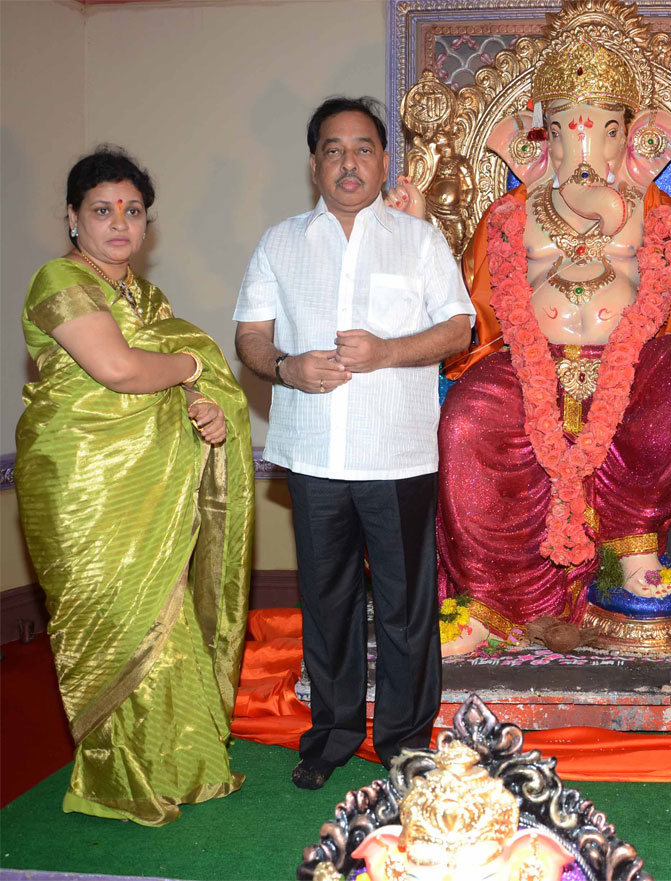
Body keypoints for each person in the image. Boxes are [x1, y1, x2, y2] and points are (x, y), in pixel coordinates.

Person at [426, 7, 671, 653]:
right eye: (566, 132)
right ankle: (490, 600)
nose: (583, 152)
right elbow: (466, 297)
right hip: (525, 363)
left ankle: (633, 548)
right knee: (464, 421)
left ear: (633, 139)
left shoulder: (656, 213)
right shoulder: (512, 213)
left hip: (633, 362)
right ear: (544, 138)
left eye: (604, 132)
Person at [233, 97, 474, 790]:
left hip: (397, 458)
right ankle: (332, 732)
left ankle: (403, 742)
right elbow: (250, 334)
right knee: (328, 601)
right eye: (333, 149)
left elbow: (458, 329)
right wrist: (288, 368)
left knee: (404, 608)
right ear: (314, 164)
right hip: (312, 457)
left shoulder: (419, 240)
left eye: (363, 148)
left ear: (384, 161)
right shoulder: (280, 242)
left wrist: (388, 350)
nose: (348, 162)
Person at [15, 148, 253, 826]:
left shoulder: (145, 299)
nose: (119, 223)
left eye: (133, 210)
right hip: (83, 487)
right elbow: (119, 370)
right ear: (72, 217)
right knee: (114, 624)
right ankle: (114, 778)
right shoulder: (58, 280)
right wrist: (192, 365)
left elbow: (164, 390)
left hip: (150, 490)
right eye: (101, 209)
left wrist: (203, 406)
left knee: (165, 622)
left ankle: (183, 767)